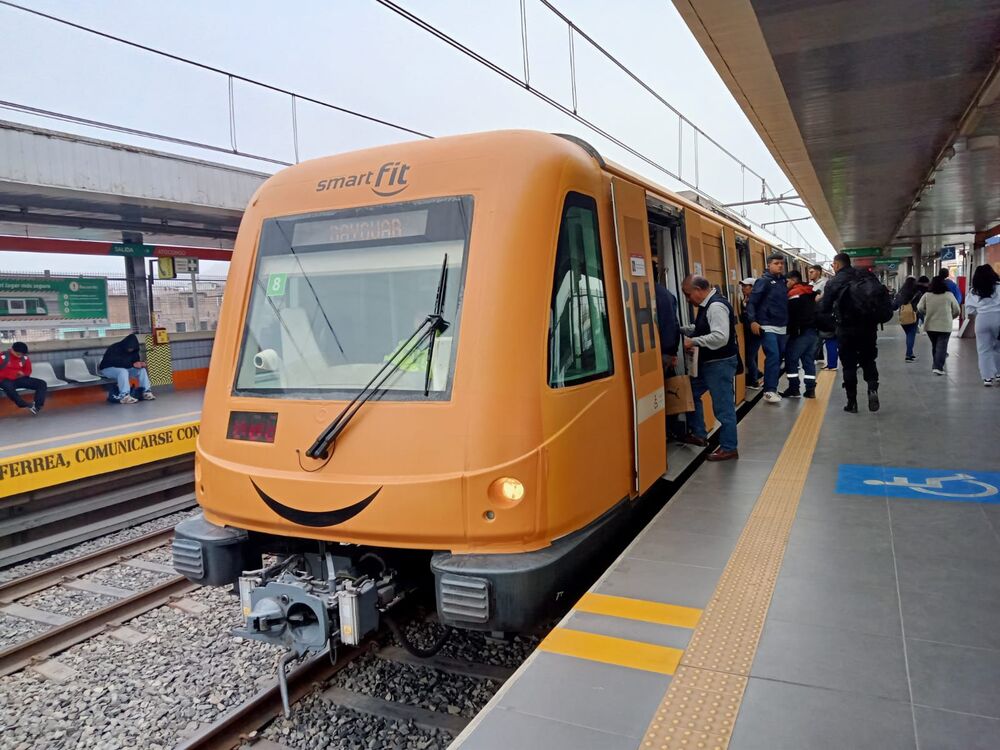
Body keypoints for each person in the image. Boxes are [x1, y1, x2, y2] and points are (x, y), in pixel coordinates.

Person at [679, 275, 739, 461]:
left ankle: (729, 448)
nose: (688, 299)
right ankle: (699, 433)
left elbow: (720, 337)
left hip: (719, 364)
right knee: (691, 392)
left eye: (688, 295)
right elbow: (705, 328)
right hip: (710, 364)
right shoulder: (708, 305)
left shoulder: (715, 306)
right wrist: (685, 329)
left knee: (723, 407)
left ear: (698, 290)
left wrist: (693, 341)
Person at [819, 253, 880, 413]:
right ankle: (872, 389)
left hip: (846, 329)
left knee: (849, 365)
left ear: (837, 265)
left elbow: (824, 308)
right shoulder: (865, 276)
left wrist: (834, 324)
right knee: (868, 360)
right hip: (868, 328)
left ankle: (851, 402)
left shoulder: (834, 282)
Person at [746, 253, 788, 403]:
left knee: (779, 357)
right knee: (773, 356)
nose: (780, 266)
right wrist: (753, 321)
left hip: (782, 325)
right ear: (769, 265)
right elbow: (752, 302)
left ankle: (772, 388)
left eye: (781, 263)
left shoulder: (783, 281)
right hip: (767, 325)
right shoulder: (763, 281)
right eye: (776, 263)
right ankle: (769, 390)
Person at [655, 280, 686, 440]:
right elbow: (674, 324)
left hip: (661, 352)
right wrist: (673, 351)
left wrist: (669, 352)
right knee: (666, 389)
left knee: (662, 392)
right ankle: (671, 427)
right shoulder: (666, 294)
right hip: (666, 351)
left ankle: (668, 428)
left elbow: (669, 325)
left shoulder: (655, 294)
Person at [781, 270, 818, 399]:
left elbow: (791, 314)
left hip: (800, 333)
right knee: (808, 360)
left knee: (791, 359)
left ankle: (794, 388)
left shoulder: (794, 294)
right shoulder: (808, 291)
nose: (786, 283)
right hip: (813, 332)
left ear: (794, 280)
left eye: (788, 281)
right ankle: (810, 389)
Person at [964, 264, 1000, 386]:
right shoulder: (999, 287)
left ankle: (987, 378)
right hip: (998, 318)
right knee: (998, 348)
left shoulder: (974, 291)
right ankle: (999, 374)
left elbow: (969, 309)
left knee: (983, 349)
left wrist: (980, 311)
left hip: (982, 320)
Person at [916, 275, 960, 375]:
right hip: (945, 325)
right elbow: (957, 309)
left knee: (935, 345)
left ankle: (936, 365)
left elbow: (919, 307)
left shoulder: (927, 295)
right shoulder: (949, 295)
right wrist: (951, 317)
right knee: (942, 346)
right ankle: (938, 367)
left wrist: (926, 313)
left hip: (931, 324)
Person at [99, 333, 156, 404]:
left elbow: (134, 362)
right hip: (107, 369)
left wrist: (140, 364)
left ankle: (146, 392)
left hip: (125, 369)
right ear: (125, 344)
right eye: (129, 348)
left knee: (142, 370)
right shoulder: (114, 348)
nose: (130, 350)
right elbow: (116, 363)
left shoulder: (134, 351)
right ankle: (124, 396)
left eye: (132, 348)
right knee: (123, 371)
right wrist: (133, 364)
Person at [0, 342, 46, 415]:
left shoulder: (24, 358)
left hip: (19, 379)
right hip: (4, 380)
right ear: (12, 350)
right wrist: (12, 374)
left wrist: (24, 374)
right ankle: (21, 403)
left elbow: (28, 370)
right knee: (8, 386)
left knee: (41, 383)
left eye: (22, 354)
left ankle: (37, 406)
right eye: (18, 354)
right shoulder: (2, 357)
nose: (19, 356)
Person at [738, 277, 761, 387]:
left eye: (745, 286)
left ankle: (754, 380)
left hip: (754, 333)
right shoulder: (746, 299)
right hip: (748, 333)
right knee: (752, 356)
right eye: (742, 286)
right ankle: (757, 374)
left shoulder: (755, 301)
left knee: (749, 357)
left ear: (753, 287)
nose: (743, 288)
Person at [893, 276, 921, 362]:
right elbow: (920, 305)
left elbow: (895, 305)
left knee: (909, 335)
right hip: (913, 315)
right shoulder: (917, 292)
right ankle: (908, 355)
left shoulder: (901, 293)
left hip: (903, 315)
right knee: (911, 335)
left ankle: (911, 353)